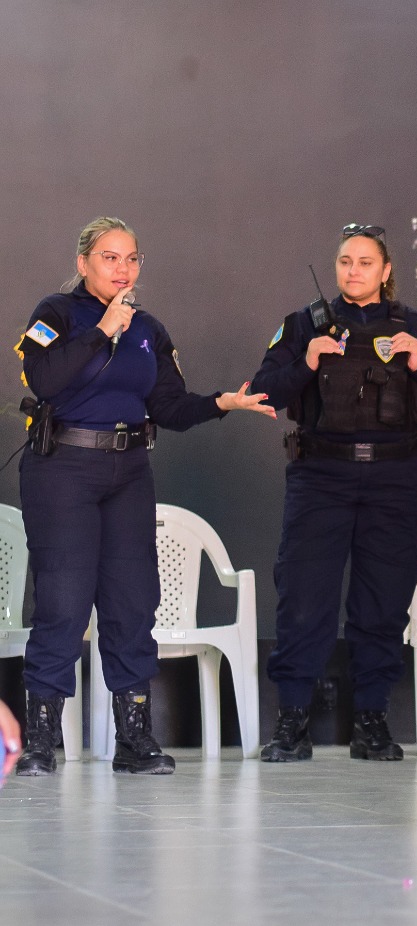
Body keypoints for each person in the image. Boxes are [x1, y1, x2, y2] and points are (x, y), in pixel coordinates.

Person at [13, 216, 275, 776]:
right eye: (110, 257)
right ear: (83, 262)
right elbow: (46, 381)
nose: (123, 269)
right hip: (65, 469)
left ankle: (134, 741)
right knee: (62, 602)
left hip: (129, 469)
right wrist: (102, 330)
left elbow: (171, 407)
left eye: (132, 259)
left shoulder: (148, 327)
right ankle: (40, 741)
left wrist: (222, 404)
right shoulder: (55, 314)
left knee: (133, 603)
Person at [251, 223, 417, 762]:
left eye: (365, 262)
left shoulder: (415, 327)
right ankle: (292, 722)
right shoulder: (304, 325)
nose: (354, 271)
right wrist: (307, 361)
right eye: (346, 261)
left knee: (383, 602)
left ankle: (371, 722)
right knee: (304, 599)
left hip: (395, 480)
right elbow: (261, 391)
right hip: (321, 475)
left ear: (386, 270)